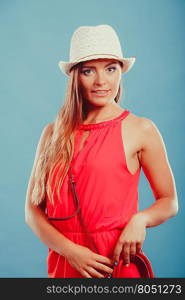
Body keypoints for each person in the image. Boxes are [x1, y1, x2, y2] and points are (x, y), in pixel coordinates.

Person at [25, 24, 178, 278]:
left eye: (110, 69)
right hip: (66, 265)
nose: (101, 81)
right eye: (88, 71)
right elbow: (33, 212)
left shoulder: (141, 129)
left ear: (120, 72)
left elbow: (169, 201)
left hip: (117, 263)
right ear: (75, 76)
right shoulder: (53, 133)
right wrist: (71, 251)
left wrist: (140, 220)